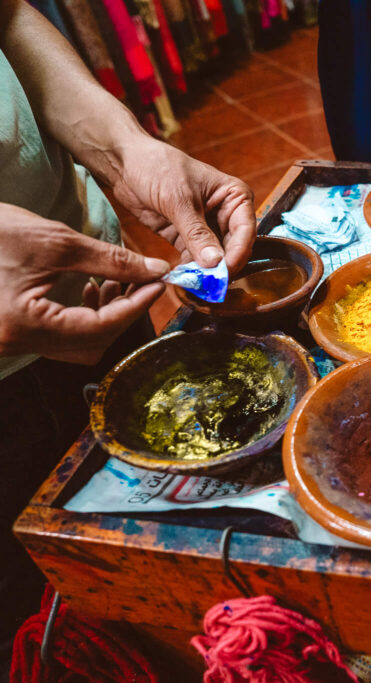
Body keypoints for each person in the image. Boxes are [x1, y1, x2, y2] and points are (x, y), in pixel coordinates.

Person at [0, 0, 257, 666]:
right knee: (43, 631)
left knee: (166, 572)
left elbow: (7, 19)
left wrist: (125, 152)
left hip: (95, 298)